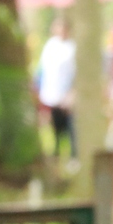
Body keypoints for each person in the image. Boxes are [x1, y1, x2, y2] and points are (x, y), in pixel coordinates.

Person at [34, 17, 78, 157]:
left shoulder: (72, 48)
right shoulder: (50, 46)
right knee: (55, 127)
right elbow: (42, 69)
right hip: (51, 93)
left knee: (71, 127)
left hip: (66, 95)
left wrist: (71, 93)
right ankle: (56, 154)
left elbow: (76, 73)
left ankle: (73, 156)